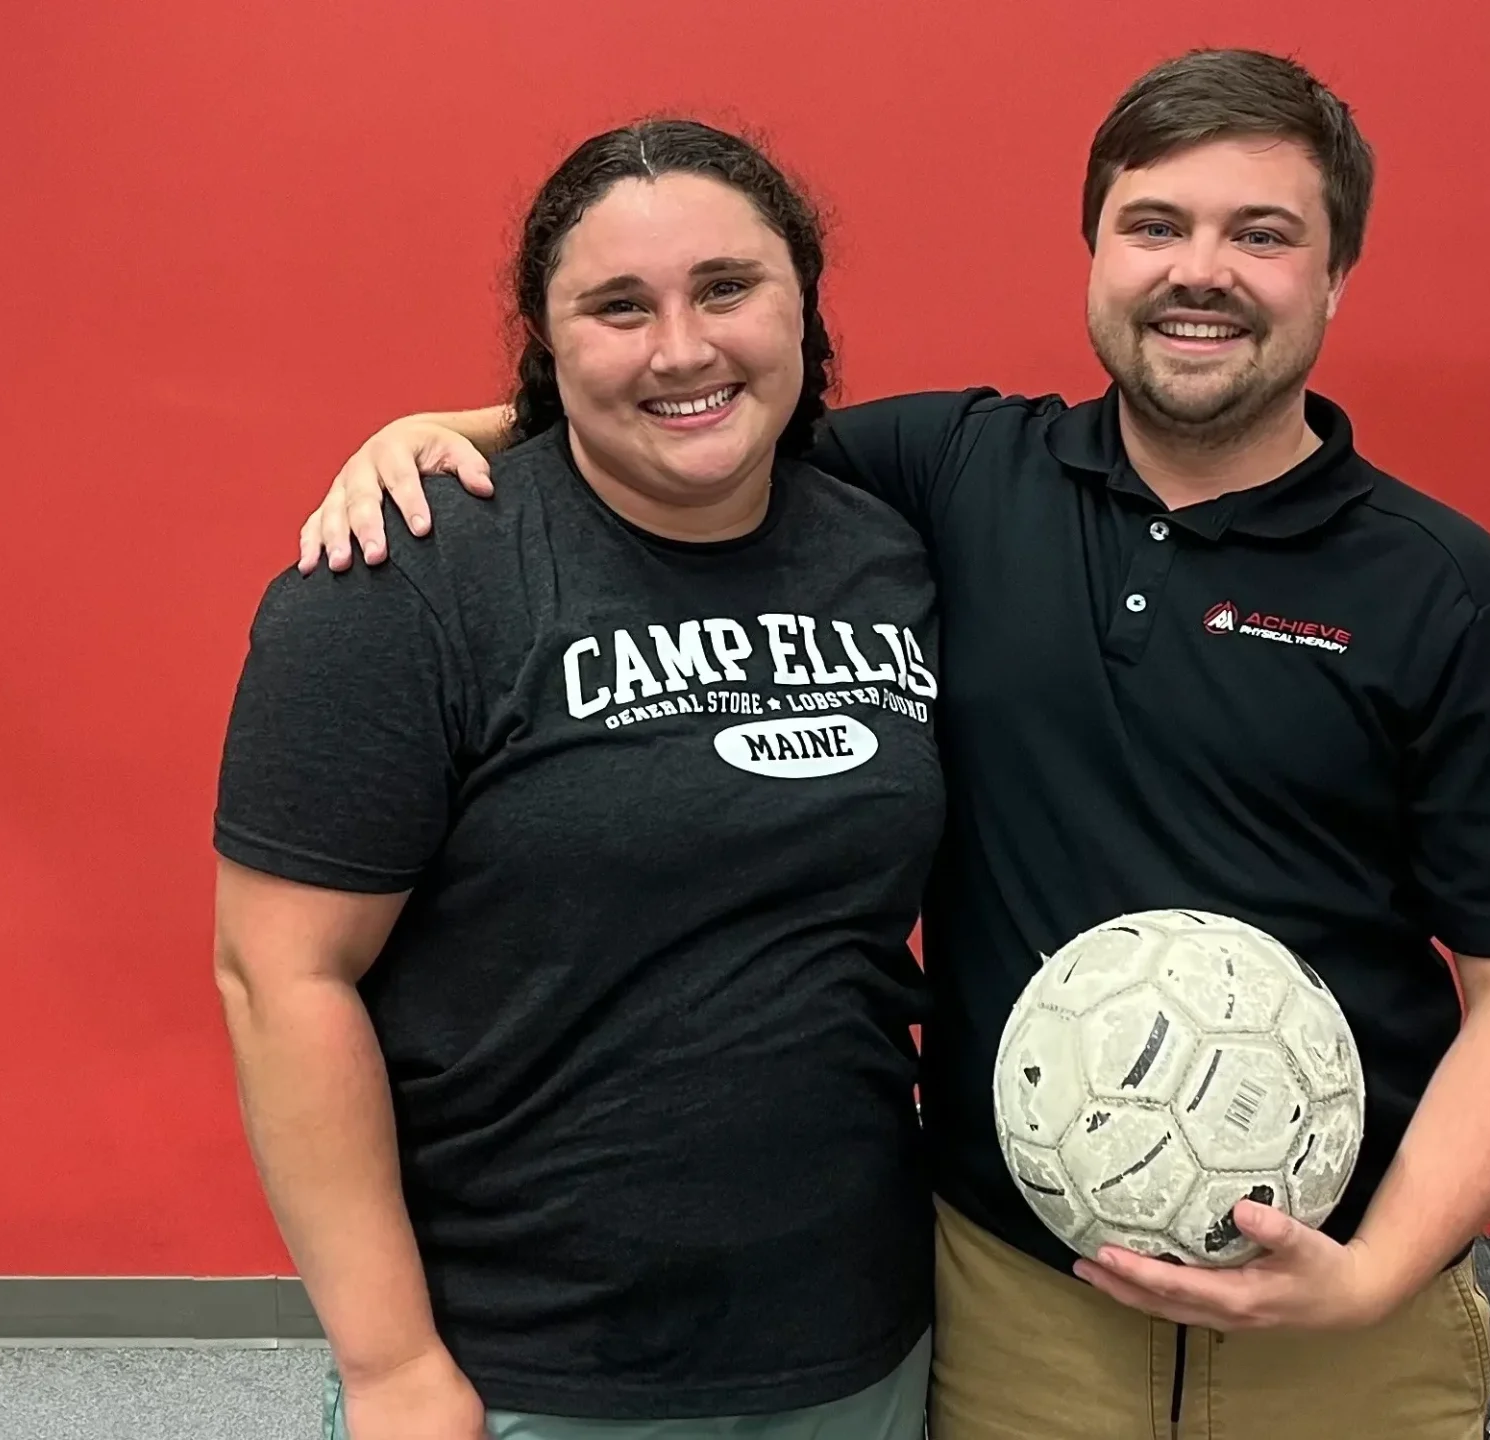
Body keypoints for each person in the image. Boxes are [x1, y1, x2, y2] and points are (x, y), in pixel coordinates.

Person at [291, 48, 1490, 1440]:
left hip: (1342, 1303)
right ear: (1095, 250)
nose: (1199, 273)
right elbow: (695, 414)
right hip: (1012, 1298)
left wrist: (1379, 1271)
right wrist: (446, 432)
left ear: (1336, 272)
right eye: (1154, 225)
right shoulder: (953, 476)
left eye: (1263, 235)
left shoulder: (1450, 594)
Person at [210, 118, 943, 1440]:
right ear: (548, 341)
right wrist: (390, 1363)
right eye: (619, 307)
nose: (682, 346)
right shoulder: (405, 580)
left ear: (804, 301)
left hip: (857, 1340)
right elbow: (280, 977)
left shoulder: (890, 549)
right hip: (528, 1364)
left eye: (727, 287)